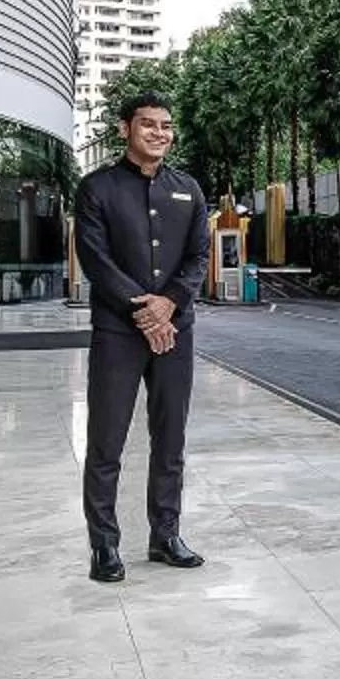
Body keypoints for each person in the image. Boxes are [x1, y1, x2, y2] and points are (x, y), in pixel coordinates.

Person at [73, 93, 212, 582]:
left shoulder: (188, 189)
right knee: (106, 441)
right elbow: (96, 260)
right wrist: (145, 312)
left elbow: (198, 256)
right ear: (124, 129)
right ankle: (104, 546)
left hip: (176, 331)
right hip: (118, 332)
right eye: (148, 124)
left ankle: (165, 535)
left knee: (170, 438)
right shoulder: (97, 188)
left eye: (166, 126)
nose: (159, 133)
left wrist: (169, 304)